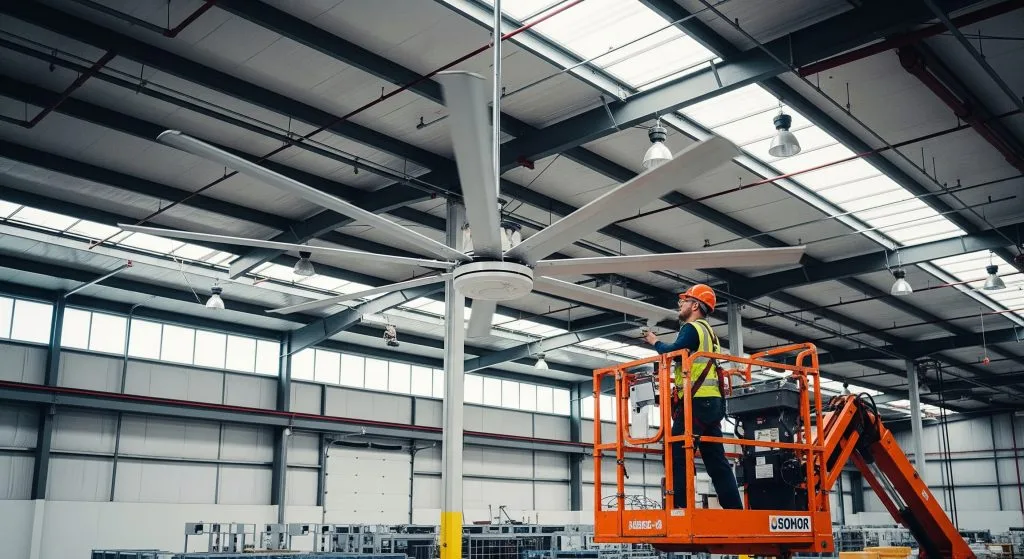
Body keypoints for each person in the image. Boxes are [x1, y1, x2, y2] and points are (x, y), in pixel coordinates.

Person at [643, 284, 742, 510]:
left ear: (695, 305)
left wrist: (654, 342)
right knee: (716, 460)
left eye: (684, 301)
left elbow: (672, 352)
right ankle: (734, 509)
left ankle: (680, 508)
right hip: (712, 402)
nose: (680, 305)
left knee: (677, 450)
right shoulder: (710, 333)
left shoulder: (691, 328)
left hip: (696, 402)